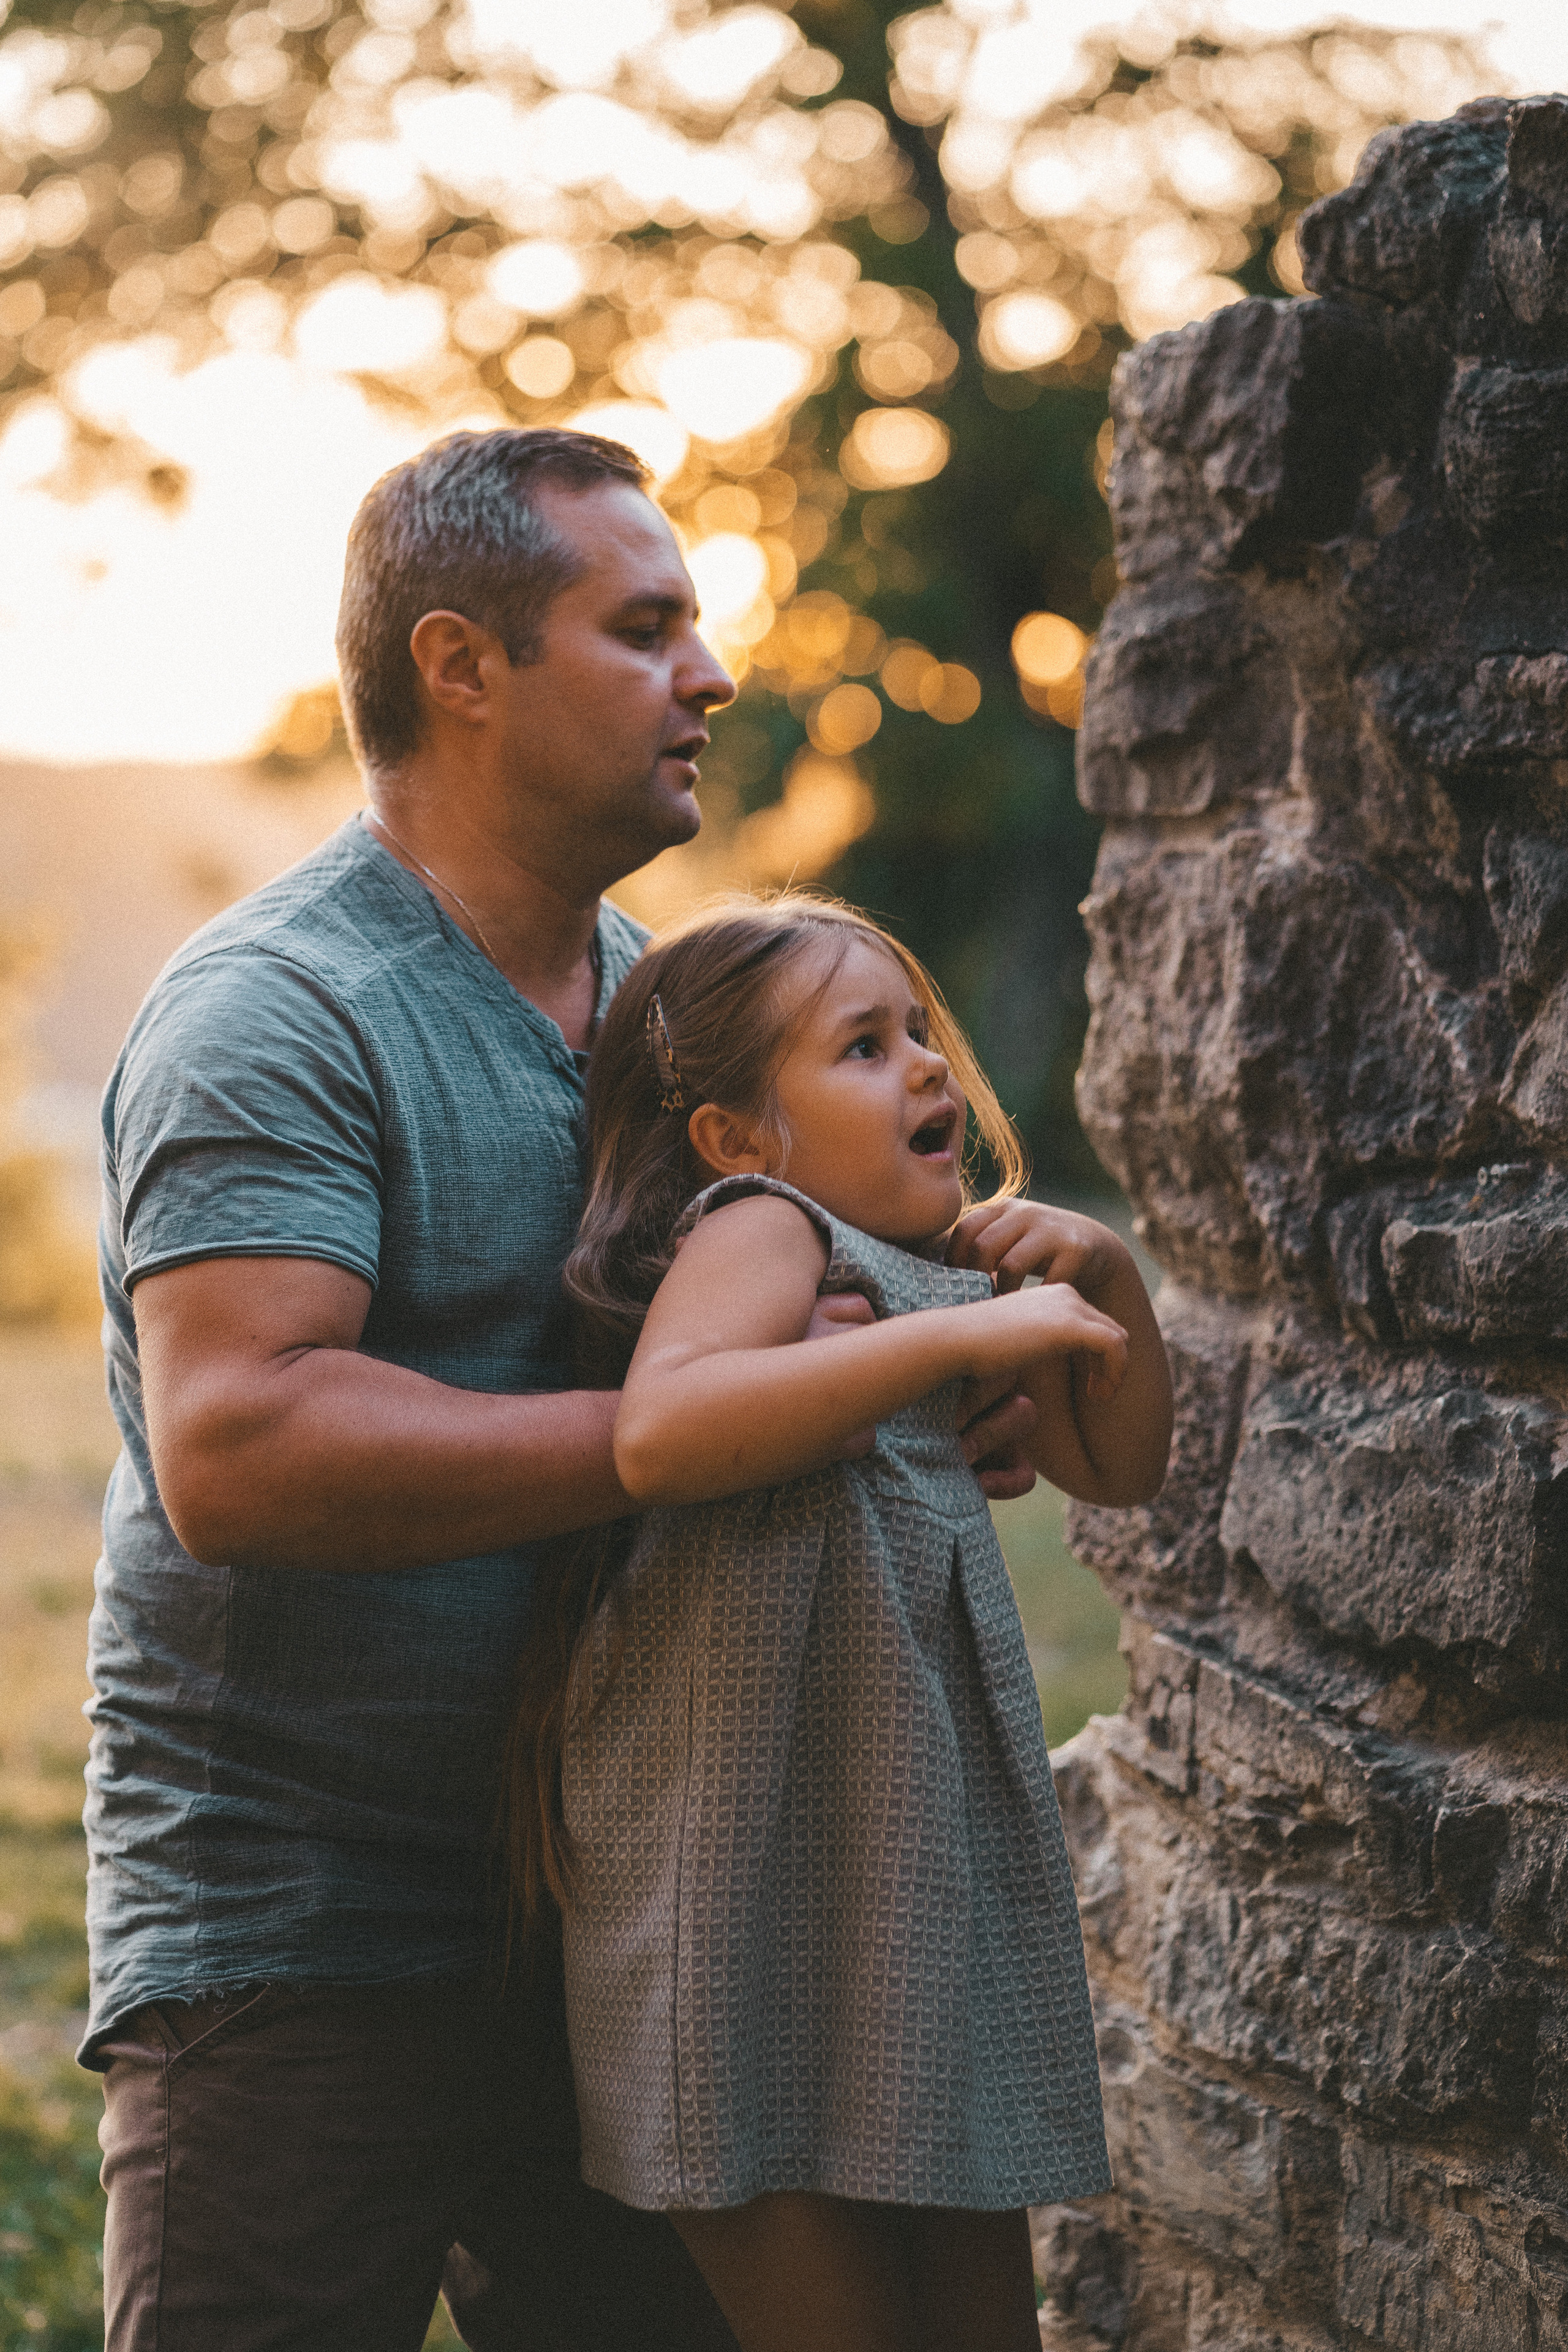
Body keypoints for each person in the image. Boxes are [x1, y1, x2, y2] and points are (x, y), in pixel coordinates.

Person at [84, 427, 1044, 2351]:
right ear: (462, 666)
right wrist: (685, 1443)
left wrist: (930, 1385)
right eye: (647, 628)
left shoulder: (675, 1012)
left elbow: (796, 1329)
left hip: (629, 1909)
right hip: (305, 1936)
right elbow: (241, 1444)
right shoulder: (280, 1011)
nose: (714, 673)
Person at [512, 894, 1175, 2352]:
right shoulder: (763, 1228)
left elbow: (1121, 1468)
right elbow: (661, 1431)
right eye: (862, 1047)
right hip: (737, 1884)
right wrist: (958, 1337)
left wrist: (1103, 1278)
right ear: (738, 1139)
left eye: (920, 1033)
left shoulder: (951, 1270)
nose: (927, 1068)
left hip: (902, 1882)